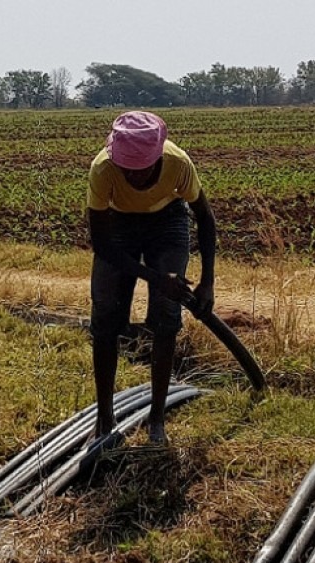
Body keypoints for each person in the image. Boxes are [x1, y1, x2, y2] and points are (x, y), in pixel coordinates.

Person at [86, 111, 218, 447]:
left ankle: (157, 418)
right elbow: (101, 244)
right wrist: (155, 277)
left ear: (157, 157)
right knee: (105, 315)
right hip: (117, 226)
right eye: (127, 167)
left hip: (167, 221)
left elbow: (204, 217)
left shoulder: (178, 163)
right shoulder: (103, 169)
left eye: (141, 168)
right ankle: (105, 416)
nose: (134, 174)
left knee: (166, 315)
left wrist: (207, 282)